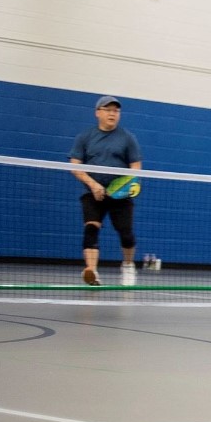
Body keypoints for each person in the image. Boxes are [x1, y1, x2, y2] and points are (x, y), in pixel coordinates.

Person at [70, 96, 143, 286]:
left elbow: (136, 167)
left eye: (116, 111)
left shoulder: (127, 138)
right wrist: (93, 184)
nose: (112, 114)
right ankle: (92, 271)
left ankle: (128, 265)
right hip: (93, 193)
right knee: (91, 228)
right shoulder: (85, 137)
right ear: (98, 113)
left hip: (120, 195)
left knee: (126, 234)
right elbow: (75, 166)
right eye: (108, 110)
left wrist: (123, 187)